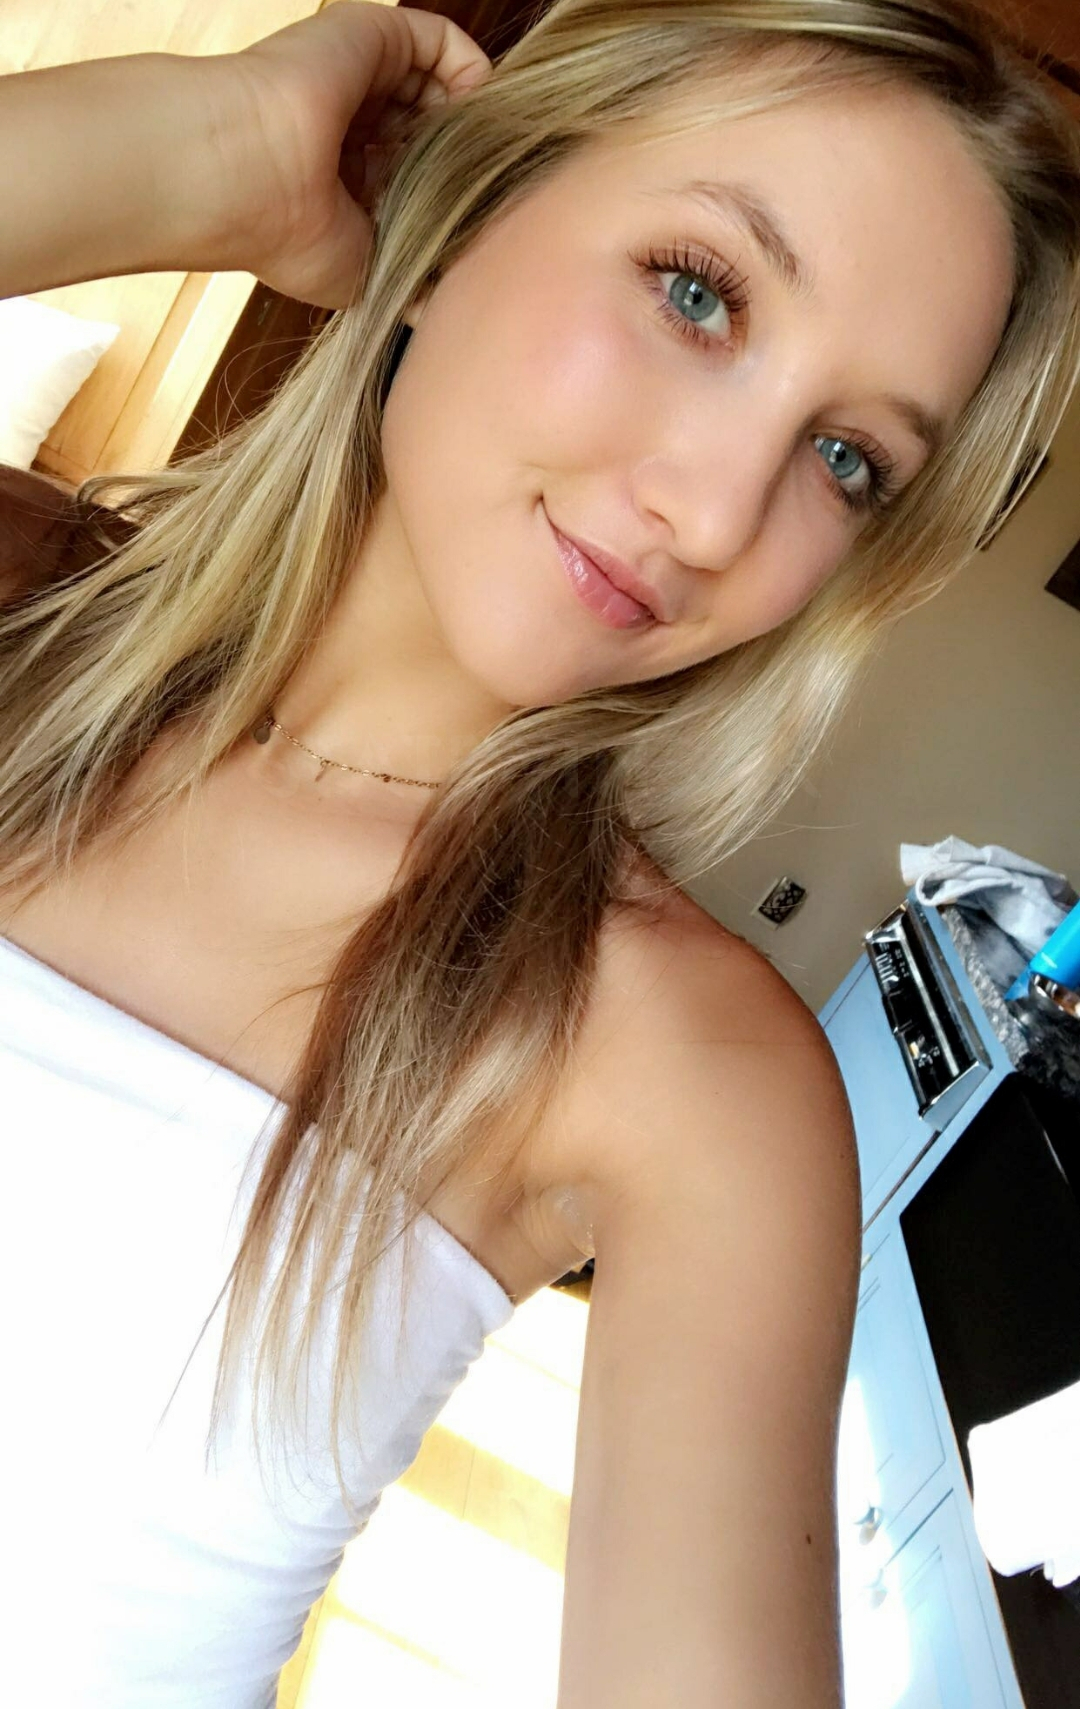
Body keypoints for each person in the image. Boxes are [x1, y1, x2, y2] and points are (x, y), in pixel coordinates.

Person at [0, 1, 1077, 1703]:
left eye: (846, 459)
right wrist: (211, 152)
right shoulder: (23, 632)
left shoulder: (680, 1065)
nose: (715, 517)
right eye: (700, 292)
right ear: (464, 214)